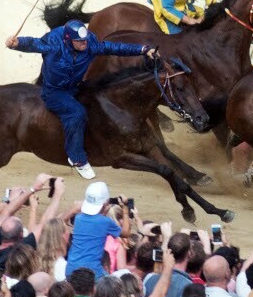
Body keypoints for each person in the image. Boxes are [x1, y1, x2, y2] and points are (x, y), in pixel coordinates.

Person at [9, 20, 155, 179]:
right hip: (54, 91)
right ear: (68, 40)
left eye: (85, 40)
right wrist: (16, 43)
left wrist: (142, 49)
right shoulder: (53, 43)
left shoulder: (89, 42)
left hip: (76, 87)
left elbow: (112, 47)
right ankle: (77, 157)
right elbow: (33, 43)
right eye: (79, 42)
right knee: (76, 113)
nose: (84, 44)